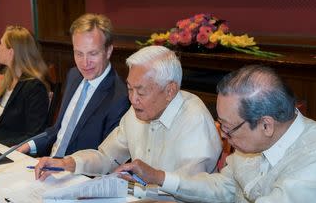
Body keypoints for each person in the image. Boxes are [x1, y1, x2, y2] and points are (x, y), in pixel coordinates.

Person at [129, 65, 316, 203]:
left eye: (227, 127)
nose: (223, 136)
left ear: (266, 125)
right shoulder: (255, 140)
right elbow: (223, 185)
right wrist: (160, 177)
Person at [34, 46, 222, 188]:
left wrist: (142, 183)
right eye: (130, 89)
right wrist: (67, 163)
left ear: (170, 90)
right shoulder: (136, 112)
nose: (132, 99)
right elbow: (106, 157)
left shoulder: (194, 119)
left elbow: (192, 189)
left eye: (141, 91)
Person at [17, 13, 130, 157]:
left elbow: (106, 159)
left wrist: (62, 166)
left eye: (93, 53)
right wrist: (28, 145)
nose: (84, 62)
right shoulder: (74, 75)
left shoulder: (120, 98)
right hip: (49, 164)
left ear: (108, 51)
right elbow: (60, 129)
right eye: (78, 53)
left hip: (79, 174)